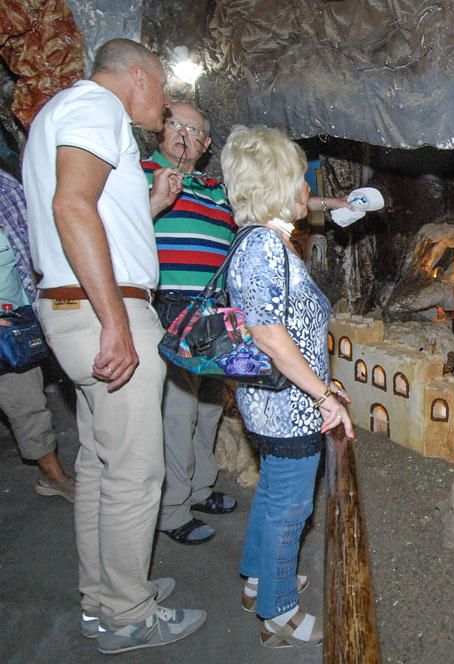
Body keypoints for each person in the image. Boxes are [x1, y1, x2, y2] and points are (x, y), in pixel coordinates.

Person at [21, 38, 205, 654]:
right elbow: (71, 205)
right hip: (105, 308)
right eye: (164, 92)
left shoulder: (62, 113)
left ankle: (102, 597)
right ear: (137, 76)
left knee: (102, 464)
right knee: (136, 469)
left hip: (76, 306)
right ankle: (130, 613)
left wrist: (149, 205)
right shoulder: (97, 108)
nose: (168, 109)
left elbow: (92, 210)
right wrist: (117, 322)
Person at [221, 124, 354, 648]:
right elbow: (272, 335)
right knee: (290, 508)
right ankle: (278, 613)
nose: (307, 190)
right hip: (289, 407)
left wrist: (322, 380)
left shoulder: (267, 240)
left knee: (276, 493)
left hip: (279, 400)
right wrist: (322, 395)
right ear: (277, 185)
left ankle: (259, 580)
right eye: (301, 180)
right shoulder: (264, 247)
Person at [142, 102, 238, 545]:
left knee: (210, 405)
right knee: (177, 410)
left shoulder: (216, 188)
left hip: (214, 308)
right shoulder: (142, 173)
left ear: (206, 145)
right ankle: (173, 508)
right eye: (176, 125)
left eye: (195, 130)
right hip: (170, 302)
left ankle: (200, 488)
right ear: (161, 132)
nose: (184, 135)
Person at [0, 169, 74, 502]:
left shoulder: (6, 186)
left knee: (26, 401)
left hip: (15, 322)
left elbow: (37, 243)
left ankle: (53, 476)